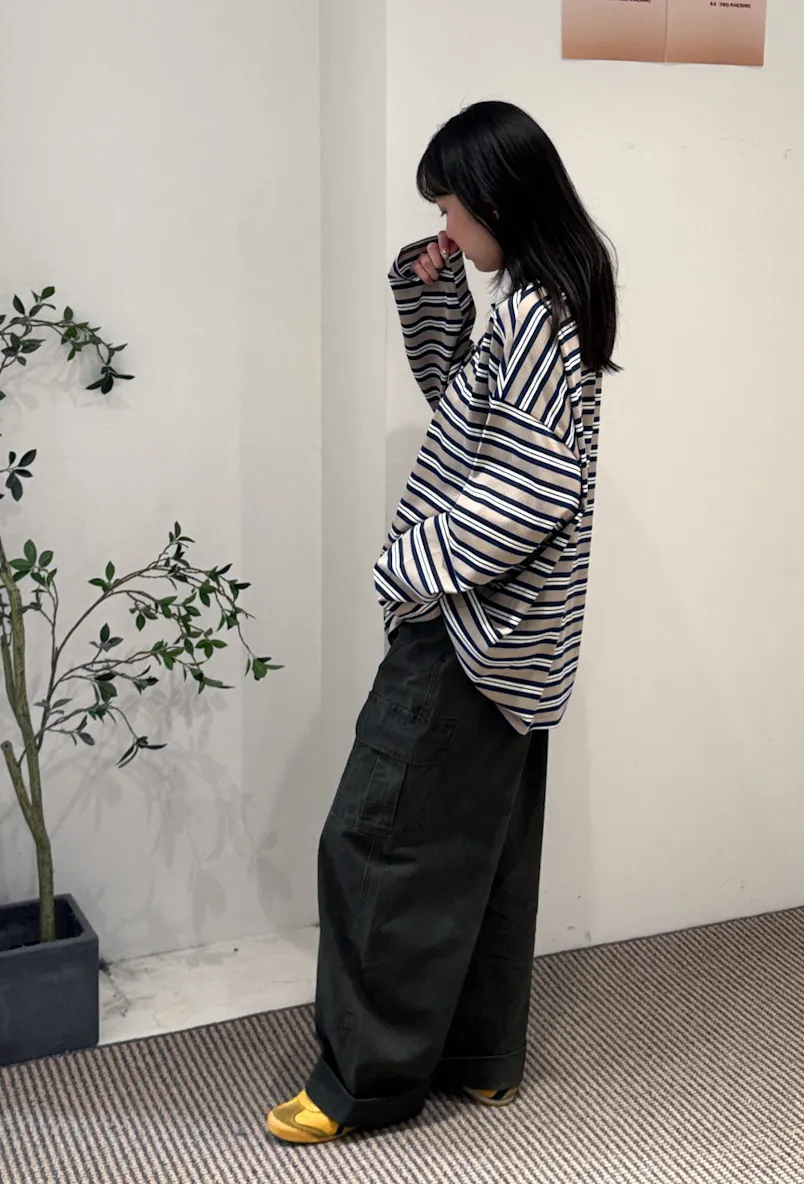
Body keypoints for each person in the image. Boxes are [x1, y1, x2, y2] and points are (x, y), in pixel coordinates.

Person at [266, 99, 619, 1146]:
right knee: (484, 847)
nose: (445, 226)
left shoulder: (538, 314)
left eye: (451, 208)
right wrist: (434, 295)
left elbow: (535, 481)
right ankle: (479, 1058)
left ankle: (363, 1082)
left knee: (375, 843)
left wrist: (410, 565)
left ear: (497, 199)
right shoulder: (542, 299)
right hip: (518, 634)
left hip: (473, 624)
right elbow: (466, 407)